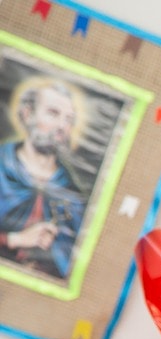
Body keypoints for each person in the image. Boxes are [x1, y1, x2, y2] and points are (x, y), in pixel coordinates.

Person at [0, 77, 87, 279]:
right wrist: (14, 239)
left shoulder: (73, 194)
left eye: (69, 120)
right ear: (27, 114)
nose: (61, 127)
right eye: (53, 113)